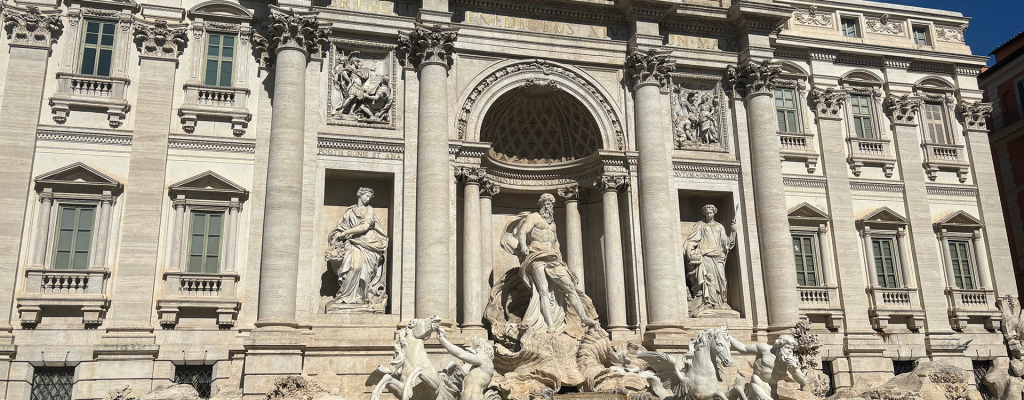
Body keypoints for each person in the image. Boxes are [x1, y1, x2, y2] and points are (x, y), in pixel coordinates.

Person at [501, 193, 598, 333]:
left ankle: (583, 318)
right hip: (536, 256)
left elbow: (555, 241)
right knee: (543, 290)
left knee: (570, 286)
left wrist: (558, 253)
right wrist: (523, 246)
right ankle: (550, 324)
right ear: (541, 204)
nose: (549, 206)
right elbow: (522, 232)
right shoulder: (534, 217)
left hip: (552, 258)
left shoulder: (552, 223)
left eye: (551, 203)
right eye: (546, 203)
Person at [326, 187, 389, 305]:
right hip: (352, 243)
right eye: (366, 196)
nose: (368, 199)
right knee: (352, 268)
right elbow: (341, 226)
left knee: (363, 269)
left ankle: (360, 296)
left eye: (370, 197)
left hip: (368, 244)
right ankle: (344, 295)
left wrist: (345, 233)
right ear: (359, 195)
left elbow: (365, 227)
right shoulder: (350, 211)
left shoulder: (369, 210)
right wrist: (338, 235)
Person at [684, 204, 737, 313]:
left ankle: (720, 301)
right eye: (707, 213)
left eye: (711, 213)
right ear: (704, 213)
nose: (709, 215)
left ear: (714, 213)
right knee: (709, 279)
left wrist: (733, 231)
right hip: (706, 256)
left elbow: (726, 244)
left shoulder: (720, 226)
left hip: (718, 257)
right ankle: (710, 303)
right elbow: (693, 239)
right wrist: (689, 250)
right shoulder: (700, 225)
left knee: (721, 279)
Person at [729, 335, 806, 400]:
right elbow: (743, 348)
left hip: (772, 388)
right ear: (778, 346)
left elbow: (802, 381)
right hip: (758, 383)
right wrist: (728, 337)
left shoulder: (788, 361)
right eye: (787, 348)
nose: (790, 351)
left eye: (791, 349)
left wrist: (794, 368)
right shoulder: (765, 349)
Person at [437, 328, 495, 400]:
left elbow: (461, 354)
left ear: (487, 351)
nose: (476, 350)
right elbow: (461, 390)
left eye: (479, 348)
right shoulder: (475, 370)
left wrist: (443, 340)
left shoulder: (486, 361)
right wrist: (448, 382)